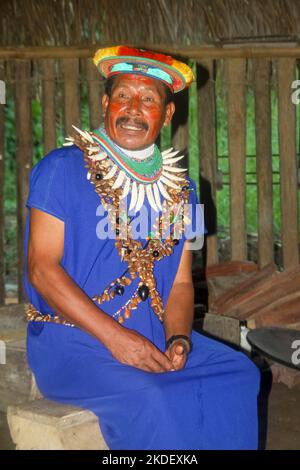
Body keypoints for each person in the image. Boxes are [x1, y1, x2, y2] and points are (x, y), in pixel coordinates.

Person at [24, 45, 260, 450]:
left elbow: (182, 285)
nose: (133, 109)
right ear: (105, 103)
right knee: (155, 397)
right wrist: (116, 338)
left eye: (148, 99)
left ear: (167, 114)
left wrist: (179, 340)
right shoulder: (61, 168)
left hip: (152, 333)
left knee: (239, 374)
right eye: (122, 96)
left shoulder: (183, 191)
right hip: (74, 342)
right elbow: (42, 270)